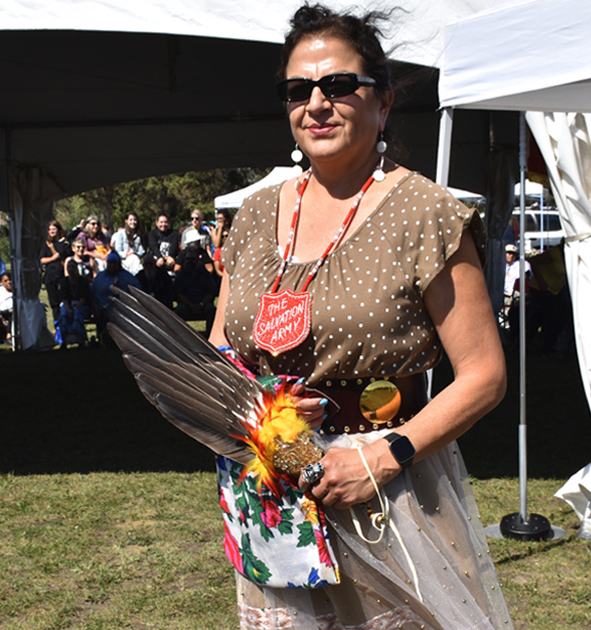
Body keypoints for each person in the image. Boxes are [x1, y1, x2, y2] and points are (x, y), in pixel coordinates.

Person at [207, 6, 511, 628]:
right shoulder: (254, 215)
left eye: (340, 84)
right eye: (298, 90)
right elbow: (221, 349)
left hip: (388, 491)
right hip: (274, 486)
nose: (317, 103)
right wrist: (265, 427)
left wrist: (381, 458)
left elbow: (484, 375)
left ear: (384, 101)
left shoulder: (425, 212)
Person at [39, 220, 70, 331]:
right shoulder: (47, 244)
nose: (52, 231)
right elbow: (41, 260)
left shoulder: (65, 244)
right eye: (50, 229)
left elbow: (69, 258)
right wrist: (52, 258)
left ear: (58, 230)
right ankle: (57, 327)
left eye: (54, 229)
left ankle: (67, 324)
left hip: (63, 276)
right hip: (50, 277)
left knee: (65, 302)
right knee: (54, 304)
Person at [110, 212, 146, 276]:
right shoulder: (120, 234)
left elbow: (142, 250)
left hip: (135, 259)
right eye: (131, 220)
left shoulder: (140, 235)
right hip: (124, 261)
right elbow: (118, 251)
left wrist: (135, 253)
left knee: (134, 258)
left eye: (135, 220)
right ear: (126, 221)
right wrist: (127, 254)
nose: (133, 222)